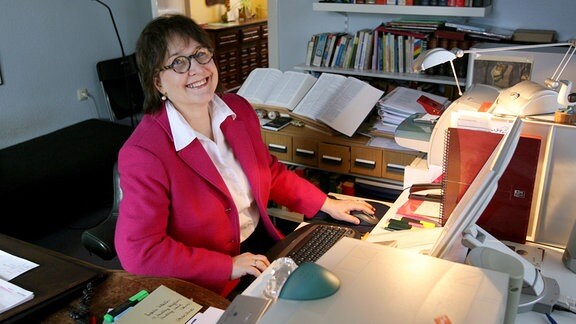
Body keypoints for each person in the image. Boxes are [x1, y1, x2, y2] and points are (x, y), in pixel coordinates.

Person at [114, 14, 375, 297]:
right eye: (178, 62)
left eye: (201, 54)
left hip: (260, 247)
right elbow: (139, 252)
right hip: (207, 278)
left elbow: (269, 172)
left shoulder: (237, 109)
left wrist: (326, 203)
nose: (197, 69)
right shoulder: (144, 154)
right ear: (158, 83)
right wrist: (227, 266)